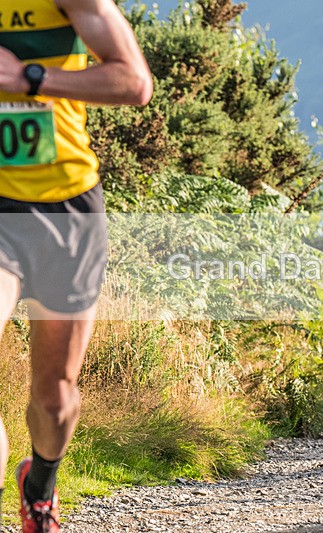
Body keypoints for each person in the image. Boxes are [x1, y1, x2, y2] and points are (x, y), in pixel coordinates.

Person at [0, 0, 152, 530]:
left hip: (64, 209)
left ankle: (39, 482)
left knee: (55, 397)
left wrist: (29, 77)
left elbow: (133, 82)